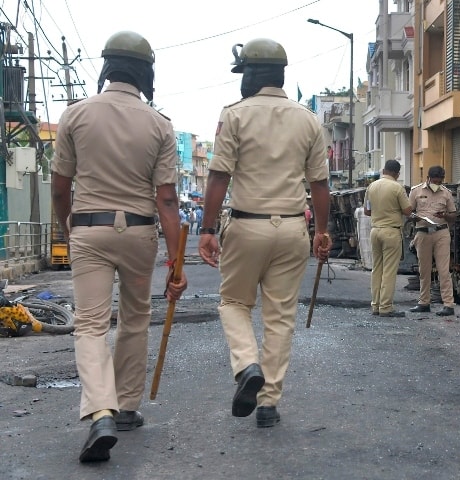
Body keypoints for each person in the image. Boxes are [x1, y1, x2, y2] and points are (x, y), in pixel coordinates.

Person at [50, 31, 188, 463]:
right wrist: (176, 262)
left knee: (90, 324)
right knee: (135, 317)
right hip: (141, 233)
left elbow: (60, 186)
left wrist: (68, 227)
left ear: (106, 67)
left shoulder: (75, 115)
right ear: (146, 73)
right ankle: (127, 406)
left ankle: (100, 411)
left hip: (88, 227)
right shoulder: (159, 124)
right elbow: (167, 199)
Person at [198, 38, 331, 429]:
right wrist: (321, 231)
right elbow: (320, 184)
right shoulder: (308, 118)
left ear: (251, 74)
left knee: (234, 304)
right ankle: (269, 401)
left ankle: (246, 365)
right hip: (293, 227)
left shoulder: (234, 114)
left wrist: (207, 230)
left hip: (246, 224)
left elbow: (219, 174)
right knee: (280, 317)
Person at [364, 159, 412, 317]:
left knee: (376, 269)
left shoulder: (372, 186)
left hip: (375, 230)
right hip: (391, 232)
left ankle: (375, 305)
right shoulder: (397, 187)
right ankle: (386, 307)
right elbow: (407, 210)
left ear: (384, 170)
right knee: (389, 271)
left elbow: (367, 211)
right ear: (397, 173)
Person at [408, 166, 457, 317]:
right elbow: (408, 212)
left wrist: (445, 216)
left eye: (439, 181)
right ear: (428, 178)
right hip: (422, 233)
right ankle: (424, 302)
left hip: (441, 232)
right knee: (424, 270)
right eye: (434, 181)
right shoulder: (416, 191)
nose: (436, 184)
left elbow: (454, 215)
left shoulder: (446, 193)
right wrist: (415, 217)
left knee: (443, 270)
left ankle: (448, 304)